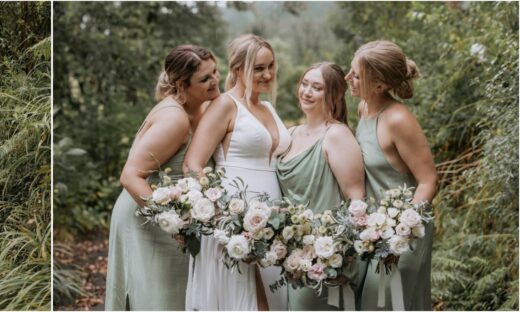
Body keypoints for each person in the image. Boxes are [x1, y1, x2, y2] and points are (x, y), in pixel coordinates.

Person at [104, 45, 221, 310]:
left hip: (170, 217)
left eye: (215, 71)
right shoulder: (174, 119)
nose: (215, 80)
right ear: (182, 84)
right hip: (145, 216)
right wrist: (173, 222)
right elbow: (130, 176)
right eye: (205, 78)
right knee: (159, 299)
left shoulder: (199, 106)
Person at [183, 34, 290, 311]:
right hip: (233, 222)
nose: (267, 74)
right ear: (237, 70)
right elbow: (192, 164)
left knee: (275, 298)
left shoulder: (267, 107)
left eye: (271, 66)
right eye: (258, 68)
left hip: (272, 222)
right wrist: (223, 215)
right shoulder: (226, 105)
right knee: (248, 302)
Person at [347, 40, 437, 311]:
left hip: (404, 232)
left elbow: (429, 180)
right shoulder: (363, 108)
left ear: (379, 85)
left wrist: (402, 233)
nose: (347, 78)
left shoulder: (398, 119)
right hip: (374, 231)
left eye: (356, 75)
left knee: (389, 304)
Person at [277, 62, 367, 310]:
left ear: (335, 95)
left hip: (323, 254)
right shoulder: (291, 134)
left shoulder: (337, 135)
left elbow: (356, 200)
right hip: (290, 253)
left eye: (317, 87)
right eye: (304, 84)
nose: (306, 91)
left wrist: (335, 254)